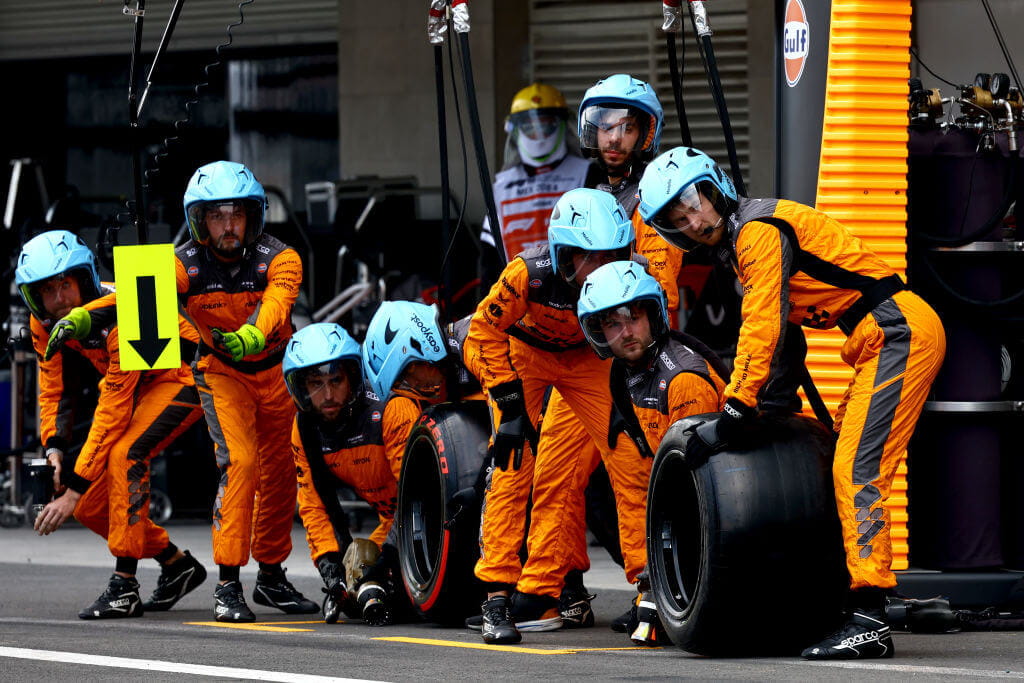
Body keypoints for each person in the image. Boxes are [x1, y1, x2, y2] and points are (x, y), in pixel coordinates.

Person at [637, 146, 947, 659]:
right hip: (882, 339)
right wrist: (764, 413)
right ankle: (844, 602)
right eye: (677, 218)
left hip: (900, 333)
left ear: (716, 190)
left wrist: (736, 408)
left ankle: (870, 617)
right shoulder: (745, 244)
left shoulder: (757, 231)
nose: (693, 221)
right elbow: (783, 341)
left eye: (694, 202)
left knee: (856, 470)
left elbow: (761, 325)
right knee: (834, 465)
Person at [464, 187, 650, 645]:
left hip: (590, 362)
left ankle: (652, 586)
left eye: (609, 255)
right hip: (525, 360)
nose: (596, 268)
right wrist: (507, 403)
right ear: (561, 251)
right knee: (510, 465)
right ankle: (496, 596)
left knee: (631, 458)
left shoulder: (632, 275)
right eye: (584, 257)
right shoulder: (528, 273)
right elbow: (480, 332)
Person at [16, 229, 207, 618]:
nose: (58, 301)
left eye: (65, 285)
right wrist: (53, 448)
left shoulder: (121, 313)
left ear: (84, 278)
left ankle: (124, 585)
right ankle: (176, 564)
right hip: (132, 389)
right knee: (88, 506)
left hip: (183, 378)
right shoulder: (46, 323)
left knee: (124, 454)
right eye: (46, 292)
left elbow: (113, 413)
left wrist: (71, 487)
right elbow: (54, 391)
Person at [177, 160, 316, 622]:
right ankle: (227, 584)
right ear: (199, 220)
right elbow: (134, 296)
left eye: (237, 214)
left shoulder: (282, 257)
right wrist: (89, 313)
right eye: (216, 216)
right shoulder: (179, 265)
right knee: (241, 463)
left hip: (277, 372)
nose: (229, 226)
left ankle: (272, 577)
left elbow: (277, 305)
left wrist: (254, 335)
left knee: (280, 473)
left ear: (254, 215)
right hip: (222, 372)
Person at [577, 259, 727, 644]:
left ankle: (672, 594)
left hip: (719, 513)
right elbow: (639, 485)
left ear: (654, 315)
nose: (626, 332)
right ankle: (650, 587)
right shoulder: (622, 371)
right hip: (674, 498)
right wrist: (649, 580)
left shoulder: (683, 381)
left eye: (634, 317)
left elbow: (702, 491)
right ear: (598, 332)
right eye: (612, 324)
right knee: (604, 483)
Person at [283, 321, 419, 626]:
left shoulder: (389, 409)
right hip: (393, 522)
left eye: (336, 380)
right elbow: (315, 503)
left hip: (427, 515)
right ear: (301, 388)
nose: (327, 393)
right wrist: (331, 566)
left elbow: (417, 495)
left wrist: (389, 558)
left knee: (414, 600)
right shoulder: (304, 429)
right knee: (359, 586)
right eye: (315, 384)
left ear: (353, 377)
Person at [578, 73, 687, 329]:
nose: (614, 138)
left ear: (644, 136)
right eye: (606, 126)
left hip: (635, 335)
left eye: (627, 128)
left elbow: (660, 291)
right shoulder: (592, 192)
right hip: (595, 329)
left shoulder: (654, 197)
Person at [481, 82, 598, 264]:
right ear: (515, 130)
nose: (539, 135)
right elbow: (489, 253)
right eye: (529, 127)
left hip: (571, 286)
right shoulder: (501, 186)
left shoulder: (589, 173)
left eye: (546, 125)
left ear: (562, 125)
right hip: (516, 286)